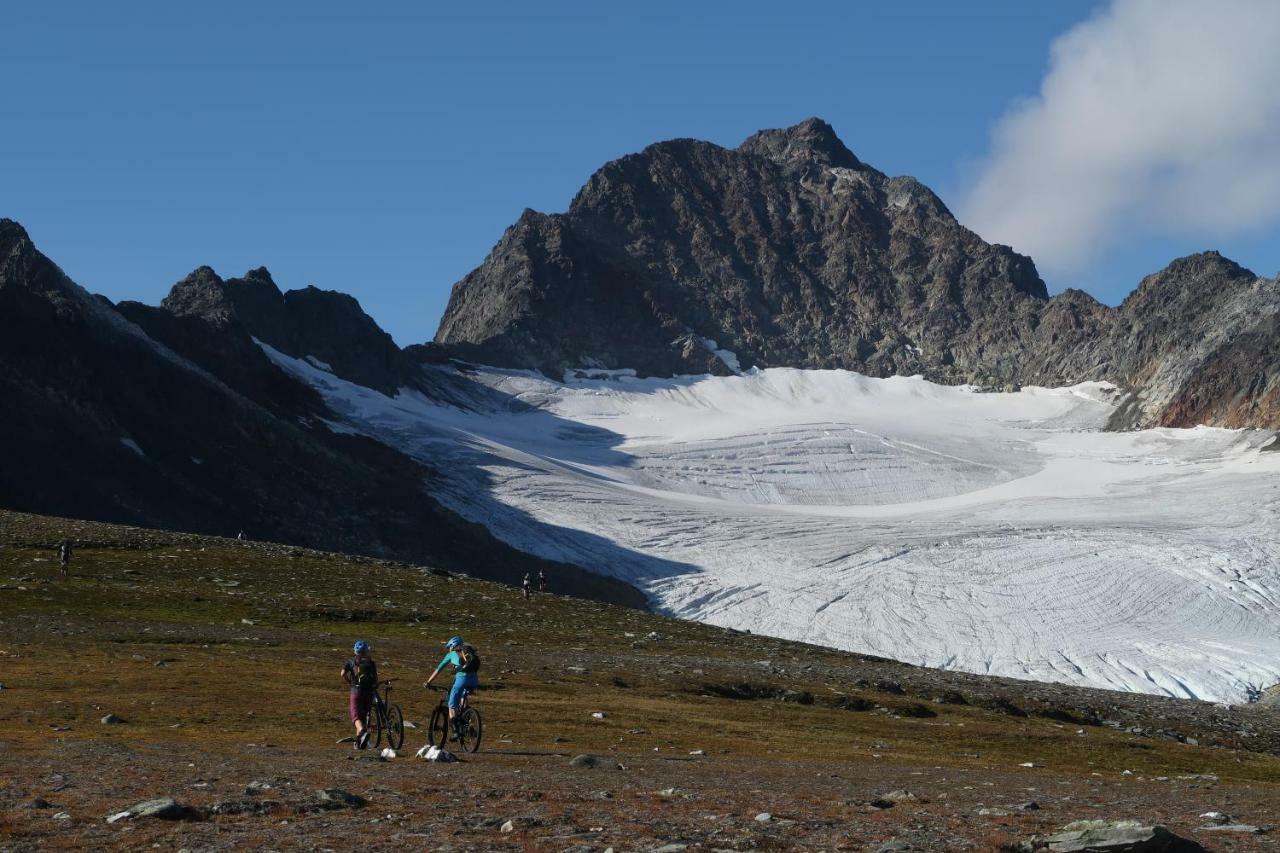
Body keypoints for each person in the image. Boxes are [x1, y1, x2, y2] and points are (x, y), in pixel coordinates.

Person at [424, 636, 480, 737]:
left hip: (461, 679)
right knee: (462, 696)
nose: (449, 649)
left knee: (452, 705)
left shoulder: (451, 654)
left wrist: (428, 682)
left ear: (452, 645)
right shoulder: (467, 652)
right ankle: (469, 721)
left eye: (449, 647)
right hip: (474, 680)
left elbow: (439, 669)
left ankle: (455, 731)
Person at [341, 640, 378, 749]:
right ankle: (360, 743)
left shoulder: (351, 661)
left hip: (356, 691)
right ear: (366, 651)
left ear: (355, 651)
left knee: (356, 716)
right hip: (369, 693)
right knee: (364, 716)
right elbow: (376, 679)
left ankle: (362, 732)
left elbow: (342, 673)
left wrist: (349, 682)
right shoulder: (371, 662)